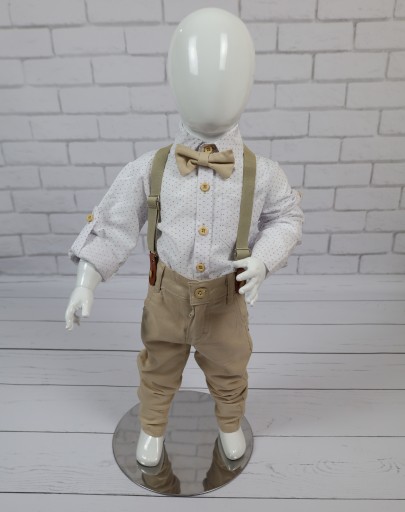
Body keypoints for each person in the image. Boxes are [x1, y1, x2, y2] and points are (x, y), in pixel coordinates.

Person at [65, 7, 304, 467]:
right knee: (158, 368)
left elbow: (287, 217)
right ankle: (152, 428)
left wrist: (263, 260)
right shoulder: (149, 168)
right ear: (175, 80)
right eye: (199, 76)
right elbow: (113, 224)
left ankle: (230, 423)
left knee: (230, 370)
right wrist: (85, 282)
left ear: (247, 83)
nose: (213, 90)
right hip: (166, 297)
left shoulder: (263, 173)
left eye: (228, 77)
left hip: (226, 302)